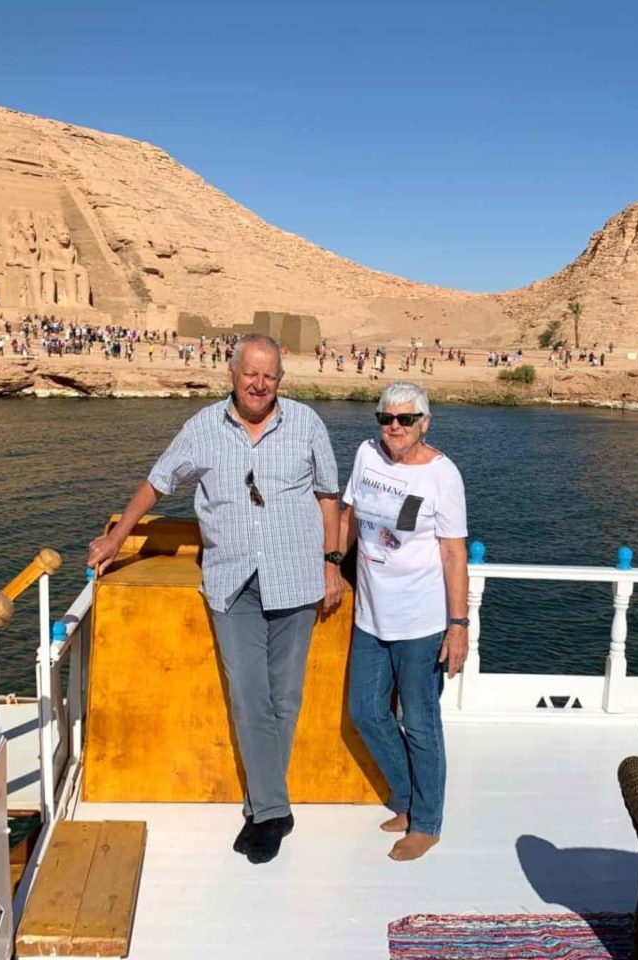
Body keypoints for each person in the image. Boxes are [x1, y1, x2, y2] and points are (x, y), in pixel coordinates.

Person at [87, 333, 343, 865]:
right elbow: (157, 483)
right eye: (251, 373)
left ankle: (262, 804)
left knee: (285, 698)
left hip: (296, 579)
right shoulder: (203, 427)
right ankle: (273, 812)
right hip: (232, 583)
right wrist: (118, 536)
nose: (259, 383)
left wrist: (331, 563)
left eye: (269, 375)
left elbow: (327, 498)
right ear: (232, 372)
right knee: (250, 694)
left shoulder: (306, 424)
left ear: (280, 379)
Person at [339, 381, 468, 861]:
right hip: (371, 614)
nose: (394, 427)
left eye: (405, 419)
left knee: (420, 722)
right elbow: (350, 515)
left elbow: (453, 552)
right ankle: (411, 799)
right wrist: (333, 563)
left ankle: (427, 822)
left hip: (422, 621)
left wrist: (458, 625)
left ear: (424, 423)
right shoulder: (366, 454)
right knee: (366, 711)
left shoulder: (442, 475)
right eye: (386, 418)